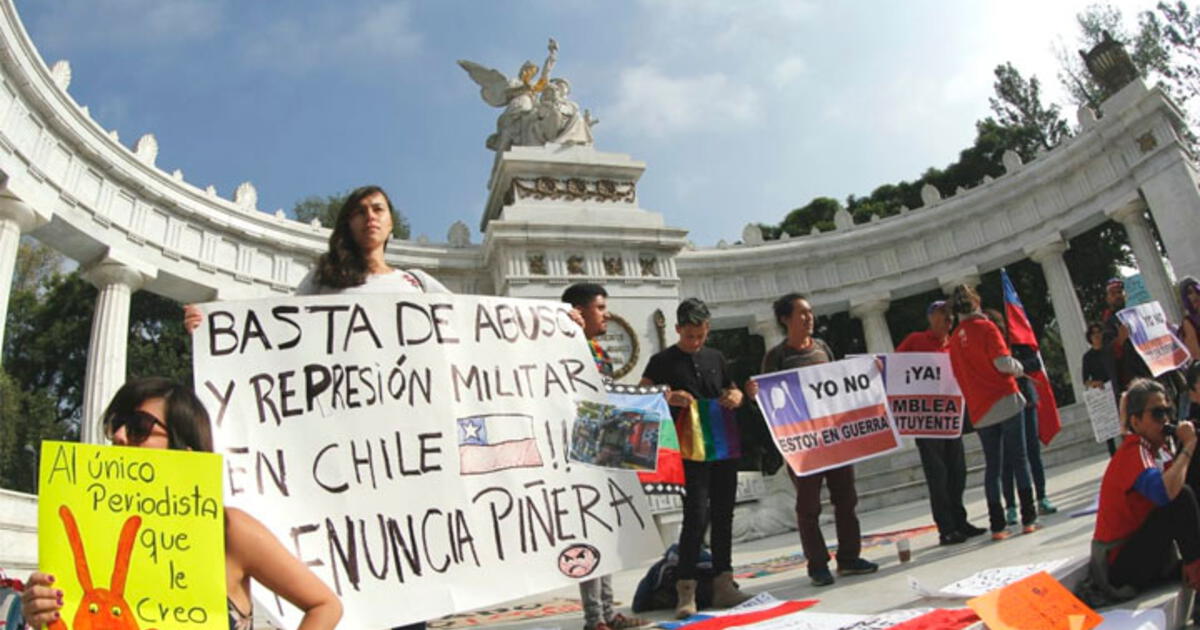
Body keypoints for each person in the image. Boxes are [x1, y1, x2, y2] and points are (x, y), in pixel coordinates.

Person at [184, 185, 450, 630]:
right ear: (347, 222)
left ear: (391, 221)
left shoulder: (417, 283)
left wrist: (559, 322)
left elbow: (472, 331)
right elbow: (276, 341)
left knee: (406, 568)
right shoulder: (324, 283)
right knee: (355, 563)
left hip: (406, 455)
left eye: (379, 209)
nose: (370, 217)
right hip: (343, 453)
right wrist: (212, 331)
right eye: (360, 211)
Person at [20, 377, 343, 630]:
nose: (118, 436)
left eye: (138, 428)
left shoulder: (227, 530)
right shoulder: (94, 534)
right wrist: (41, 611)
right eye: (115, 425)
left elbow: (325, 605)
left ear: (183, 447)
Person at [745, 293, 878, 586]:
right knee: (808, 507)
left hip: (834, 440)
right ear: (785, 319)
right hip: (803, 446)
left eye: (810, 312)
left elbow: (842, 387)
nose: (809, 318)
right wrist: (756, 395)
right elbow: (770, 403)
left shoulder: (823, 348)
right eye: (802, 313)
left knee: (846, 499)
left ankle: (849, 558)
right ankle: (817, 565)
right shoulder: (776, 357)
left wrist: (870, 375)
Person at [640, 298, 751, 617]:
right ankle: (685, 588)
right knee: (695, 516)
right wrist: (667, 396)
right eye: (690, 336)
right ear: (677, 329)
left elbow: (731, 388)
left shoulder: (716, 356)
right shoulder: (661, 361)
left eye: (701, 335)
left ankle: (724, 583)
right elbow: (641, 397)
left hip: (723, 444)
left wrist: (736, 395)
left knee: (724, 514)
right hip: (688, 449)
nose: (696, 341)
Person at [562, 283, 648, 630]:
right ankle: (593, 617)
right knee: (589, 530)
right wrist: (559, 325)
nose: (606, 314)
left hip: (607, 443)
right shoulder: (559, 344)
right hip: (575, 445)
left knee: (608, 527)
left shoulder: (600, 350)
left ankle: (609, 613)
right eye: (599, 307)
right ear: (579, 312)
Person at [1092, 378, 1200, 599]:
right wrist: (1188, 446)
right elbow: (1164, 494)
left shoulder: (1157, 450)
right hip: (1118, 567)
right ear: (1136, 421)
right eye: (1157, 414)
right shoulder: (1134, 450)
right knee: (1182, 497)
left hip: (1146, 554)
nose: (1166, 420)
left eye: (1167, 412)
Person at [946, 285, 1038, 539]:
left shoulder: (953, 340)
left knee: (992, 467)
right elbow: (1002, 363)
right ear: (976, 303)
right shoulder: (987, 328)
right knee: (1019, 460)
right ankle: (1028, 518)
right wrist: (1019, 367)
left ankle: (997, 525)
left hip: (979, 409)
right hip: (1005, 400)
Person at [895, 300, 986, 545]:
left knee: (958, 472)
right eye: (940, 313)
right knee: (938, 476)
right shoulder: (915, 340)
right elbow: (894, 367)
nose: (946, 317)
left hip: (951, 419)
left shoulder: (954, 343)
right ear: (930, 318)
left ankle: (960, 521)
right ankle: (946, 528)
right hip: (926, 422)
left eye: (949, 314)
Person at [983, 310, 1057, 525]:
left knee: (1031, 451)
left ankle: (1041, 496)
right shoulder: (985, 349)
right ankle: (1012, 506)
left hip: (1026, 402)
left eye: (996, 324)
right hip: (1004, 406)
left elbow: (1034, 363)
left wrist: (1015, 366)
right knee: (1007, 459)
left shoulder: (1017, 343)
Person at [1083, 323, 1109, 390]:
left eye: (1099, 332)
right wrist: (1095, 383)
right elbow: (1085, 381)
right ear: (1089, 337)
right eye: (1093, 333)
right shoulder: (1087, 357)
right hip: (1102, 391)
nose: (1096, 335)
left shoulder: (1110, 350)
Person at [1180, 277, 1200, 362]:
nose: (1195, 295)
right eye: (1189, 293)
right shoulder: (1189, 322)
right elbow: (1196, 356)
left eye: (1197, 291)